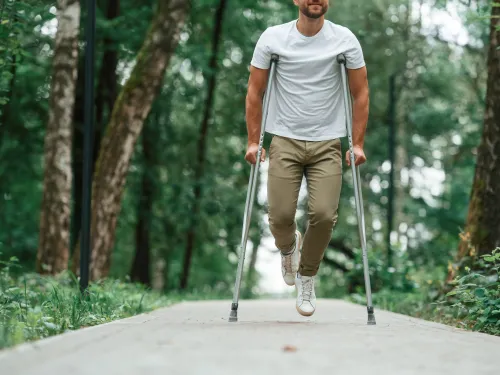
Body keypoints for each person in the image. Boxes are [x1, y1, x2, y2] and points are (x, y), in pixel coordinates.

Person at [245, 0, 369, 316]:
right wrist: (252, 141)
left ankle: (307, 275)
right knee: (280, 217)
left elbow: (360, 93)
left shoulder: (345, 40)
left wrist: (356, 143)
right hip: (284, 140)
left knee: (325, 215)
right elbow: (255, 91)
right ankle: (288, 248)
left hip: (327, 142)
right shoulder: (272, 39)